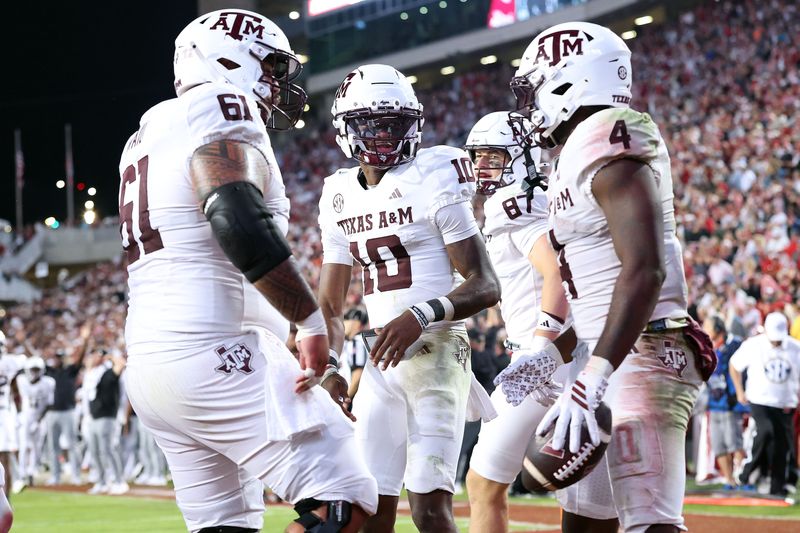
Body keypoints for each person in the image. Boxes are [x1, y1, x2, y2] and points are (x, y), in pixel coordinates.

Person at [118, 9, 377, 532]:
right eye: (270, 68)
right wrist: (308, 320)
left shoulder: (148, 132)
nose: (278, 85)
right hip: (216, 353)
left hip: (153, 367)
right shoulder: (218, 104)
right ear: (228, 60)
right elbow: (233, 212)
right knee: (345, 500)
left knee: (226, 524)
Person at [502, 21, 717, 532]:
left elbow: (644, 270)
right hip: (609, 351)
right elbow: (596, 289)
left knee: (649, 521)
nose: (530, 107)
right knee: (584, 519)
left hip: (644, 352)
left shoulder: (607, 134)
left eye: (535, 89)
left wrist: (593, 377)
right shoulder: (573, 153)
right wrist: (551, 353)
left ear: (567, 82)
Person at [318, 64, 501, 533]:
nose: (384, 135)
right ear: (346, 128)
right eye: (371, 125)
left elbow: (484, 283)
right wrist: (331, 367)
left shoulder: (431, 174)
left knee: (429, 510)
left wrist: (420, 314)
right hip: (381, 360)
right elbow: (329, 306)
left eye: (394, 123)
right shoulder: (338, 194)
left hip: (438, 350)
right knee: (366, 508)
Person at [463, 111, 618, 532]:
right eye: (477, 157)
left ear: (523, 157)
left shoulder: (513, 203)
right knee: (587, 508)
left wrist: (539, 348)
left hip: (544, 362)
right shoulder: (550, 198)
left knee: (484, 482)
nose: (481, 166)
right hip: (580, 356)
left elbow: (556, 273)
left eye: (493, 156)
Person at [730, 312, 800, 497]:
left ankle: (777, 487)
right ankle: (745, 472)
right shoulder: (753, 344)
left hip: (785, 403)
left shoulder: (795, 348)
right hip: (759, 400)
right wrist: (739, 391)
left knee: (782, 444)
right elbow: (734, 365)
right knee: (765, 431)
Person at [702, 315, 746, 489]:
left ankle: (740, 478)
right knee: (719, 445)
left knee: (735, 444)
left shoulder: (733, 345)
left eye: (707, 326)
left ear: (717, 329)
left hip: (729, 404)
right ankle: (729, 480)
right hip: (713, 404)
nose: (704, 330)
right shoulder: (707, 347)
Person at [45, 323, 91, 485]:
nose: (59, 359)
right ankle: (55, 476)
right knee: (53, 446)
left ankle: (76, 475)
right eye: (57, 357)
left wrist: (85, 340)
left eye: (61, 357)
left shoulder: (70, 370)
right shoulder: (50, 371)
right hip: (52, 412)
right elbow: (34, 357)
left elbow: (81, 357)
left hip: (68, 412)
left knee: (72, 445)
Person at [83, 349, 128, 495]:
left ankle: (120, 481)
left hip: (107, 416)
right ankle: (102, 482)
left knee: (108, 450)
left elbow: (121, 364)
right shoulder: (92, 374)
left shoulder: (108, 373)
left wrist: (110, 356)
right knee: (95, 452)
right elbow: (88, 366)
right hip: (93, 417)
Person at [15, 356, 56, 491]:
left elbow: (49, 404)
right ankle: (22, 474)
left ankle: (31, 472)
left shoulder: (48, 383)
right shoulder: (21, 380)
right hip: (25, 417)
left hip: (39, 417)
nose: (34, 372)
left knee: (36, 447)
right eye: (32, 369)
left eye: (37, 369)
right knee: (23, 446)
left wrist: (38, 420)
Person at [0, 331, 25, 495]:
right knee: (4, 459)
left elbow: (16, 389)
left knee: (4, 459)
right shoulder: (10, 362)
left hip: (4, 413)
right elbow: (16, 389)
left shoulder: (10, 362)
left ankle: (5, 500)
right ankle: (5, 500)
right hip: (5, 412)